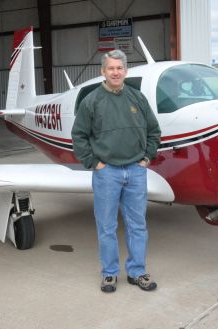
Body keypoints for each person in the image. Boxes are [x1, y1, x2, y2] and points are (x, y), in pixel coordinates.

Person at [72, 49, 161, 293]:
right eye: (111, 68)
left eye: (119, 68)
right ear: (103, 71)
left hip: (135, 171)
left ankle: (137, 271)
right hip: (106, 173)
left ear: (126, 71)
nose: (115, 72)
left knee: (137, 225)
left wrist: (146, 158)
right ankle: (109, 273)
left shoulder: (137, 98)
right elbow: (79, 136)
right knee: (107, 227)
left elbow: (154, 131)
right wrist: (95, 163)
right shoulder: (92, 101)